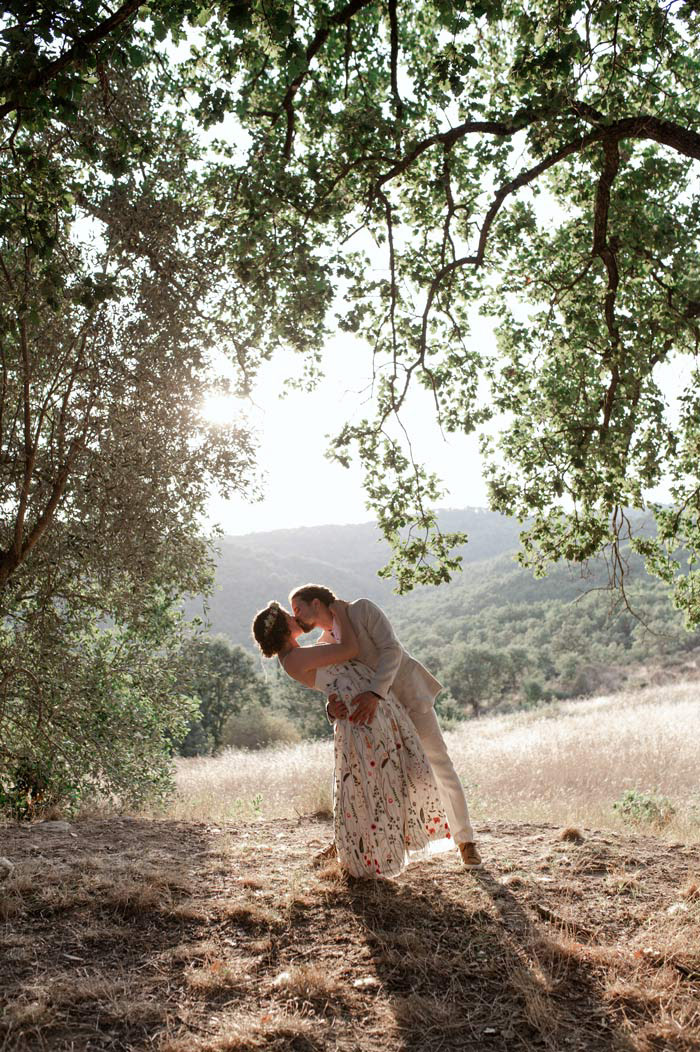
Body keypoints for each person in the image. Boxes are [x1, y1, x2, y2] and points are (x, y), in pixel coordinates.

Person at [252, 599, 451, 878]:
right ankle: (368, 857)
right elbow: (350, 650)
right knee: (374, 787)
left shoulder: (300, 654)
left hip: (368, 711)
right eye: (288, 615)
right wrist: (340, 610)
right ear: (281, 628)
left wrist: (332, 706)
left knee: (382, 784)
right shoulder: (294, 658)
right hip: (363, 719)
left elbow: (332, 679)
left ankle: (382, 849)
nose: (293, 616)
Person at [289, 584, 482, 868]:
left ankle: (466, 842)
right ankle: (349, 844)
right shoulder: (325, 642)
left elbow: (392, 650)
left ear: (316, 603)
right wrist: (330, 708)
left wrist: (376, 693)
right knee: (372, 779)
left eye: (298, 608)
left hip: (408, 698)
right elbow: (333, 683)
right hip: (378, 718)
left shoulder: (362, 609)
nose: (295, 616)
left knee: (440, 764)